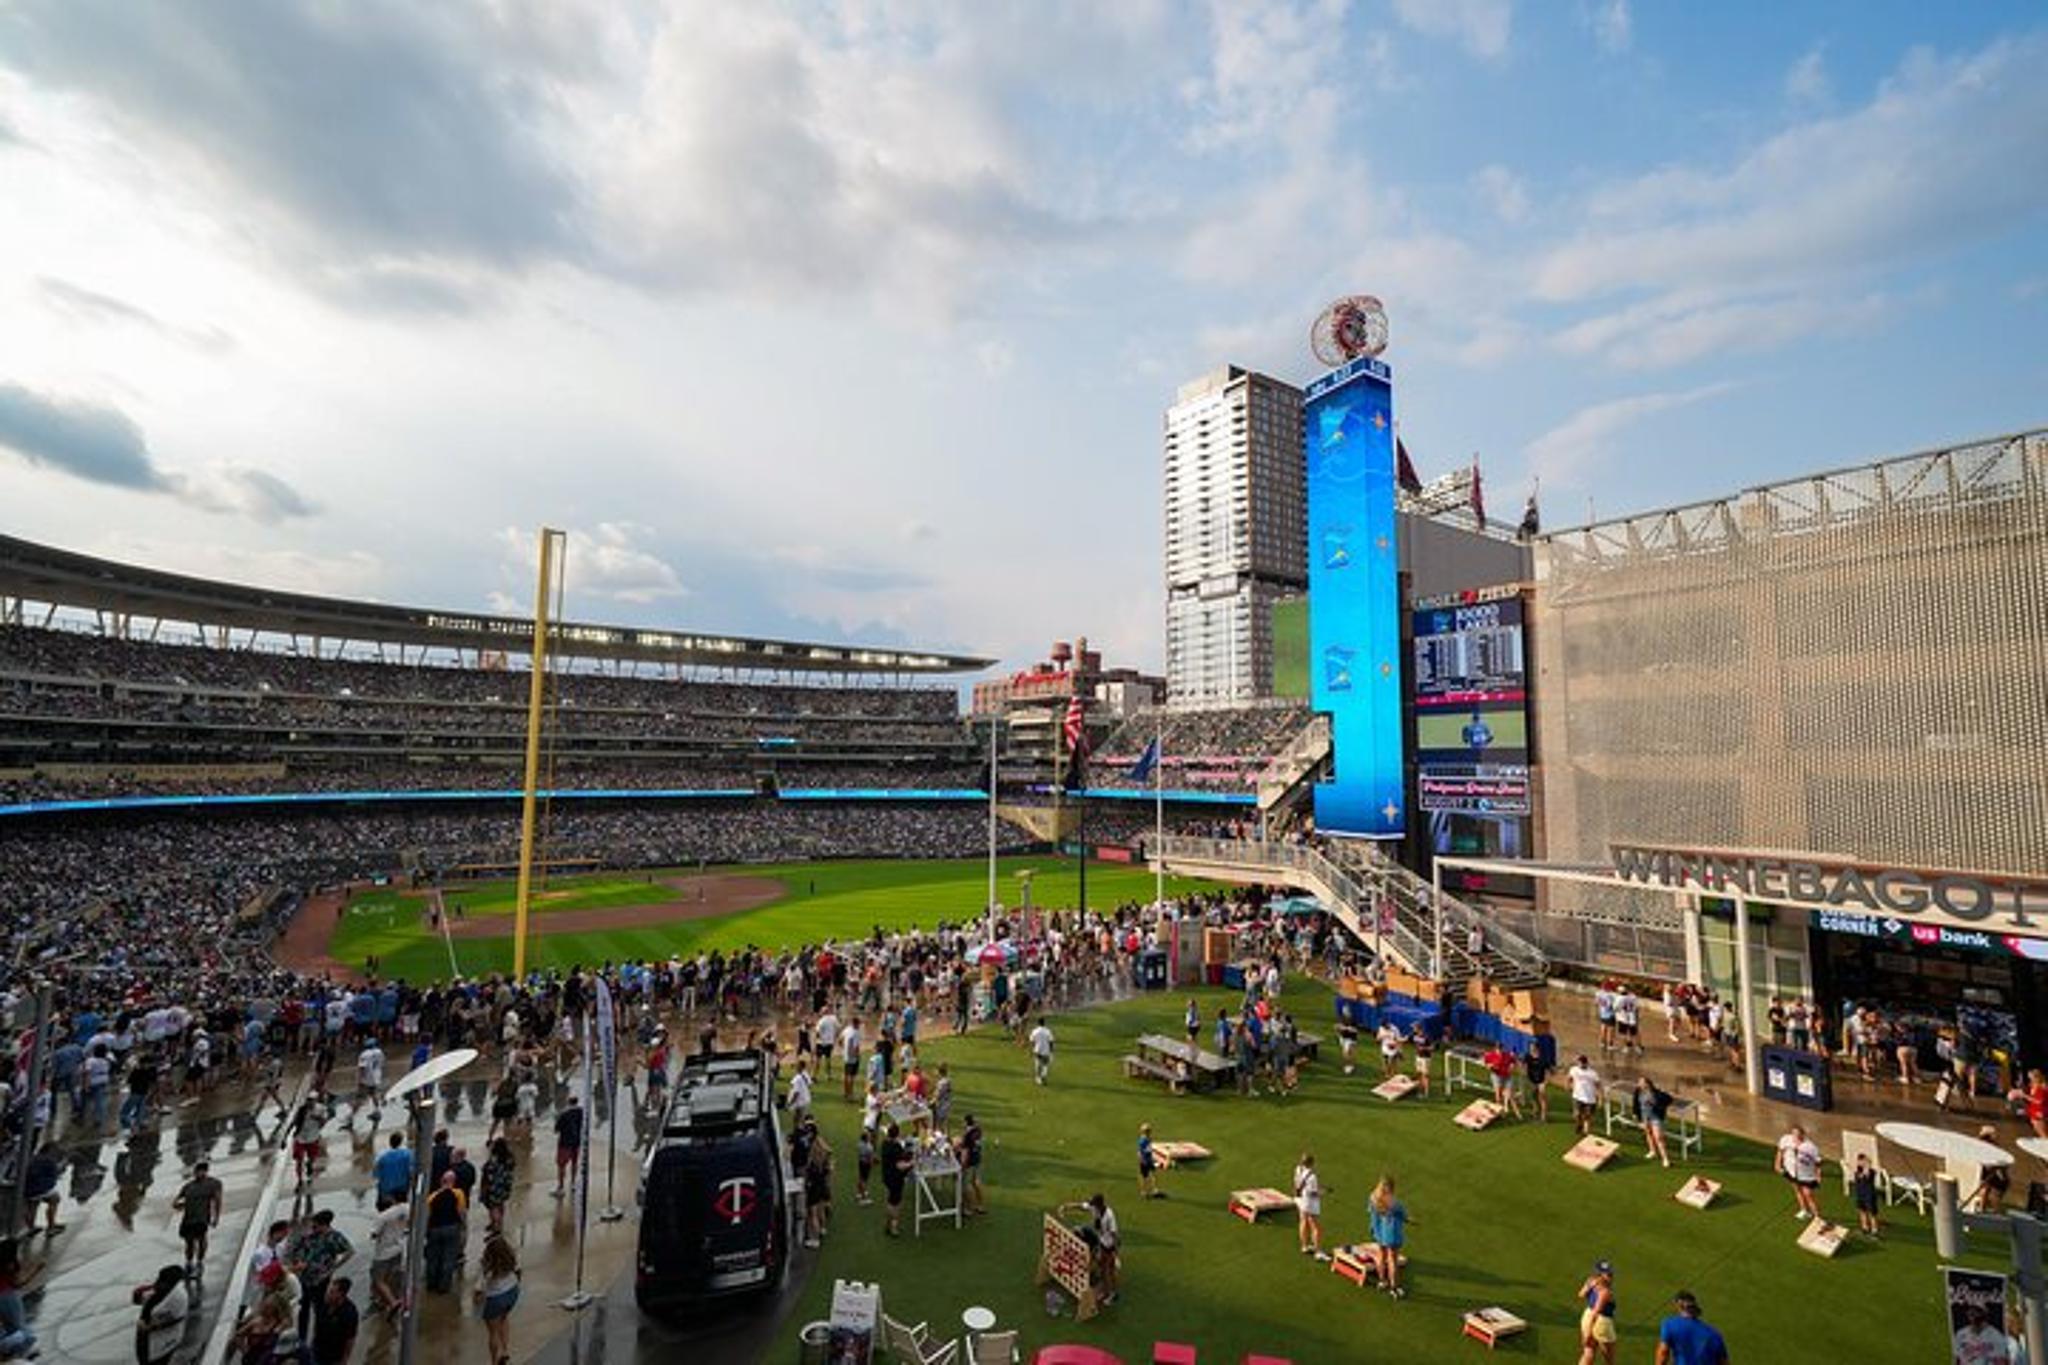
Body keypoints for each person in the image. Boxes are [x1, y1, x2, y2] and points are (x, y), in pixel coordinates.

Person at [173, 1160, 223, 1277]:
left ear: (206, 1172)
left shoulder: (214, 1184)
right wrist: (177, 1204)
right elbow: (176, 1201)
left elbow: (218, 1201)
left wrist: (216, 1217)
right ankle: (189, 1263)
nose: (199, 1174)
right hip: (188, 1218)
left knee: (201, 1240)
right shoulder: (188, 1186)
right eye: (197, 1171)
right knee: (189, 1243)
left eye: (202, 1171)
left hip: (202, 1218)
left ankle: (199, 1263)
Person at [475, 1235, 520, 1365]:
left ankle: (494, 1360)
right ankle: (505, 1350)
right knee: (504, 1319)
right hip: (512, 1292)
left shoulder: (485, 1265)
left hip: (495, 1298)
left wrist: (476, 1301)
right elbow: (518, 1272)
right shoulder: (512, 1259)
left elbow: (478, 1288)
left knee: (492, 1332)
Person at [133, 1265, 189, 1365]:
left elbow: (148, 1324)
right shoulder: (177, 1292)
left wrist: (149, 1326)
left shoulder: (168, 1298)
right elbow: (137, 1297)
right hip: (170, 1341)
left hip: (155, 1347)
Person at [1656, 1289, 1728, 1365]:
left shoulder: (1670, 1325)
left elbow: (1663, 1353)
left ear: (1679, 1306)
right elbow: (1724, 1363)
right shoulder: (1715, 1335)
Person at [423, 1172, 467, 1293]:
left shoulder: (432, 1197)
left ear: (441, 1181)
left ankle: (431, 1283)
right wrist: (463, 1227)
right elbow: (461, 1212)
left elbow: (427, 1215)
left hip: (435, 1229)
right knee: (449, 1257)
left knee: (433, 1257)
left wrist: (427, 1231)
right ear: (453, 1181)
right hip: (452, 1228)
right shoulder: (458, 1193)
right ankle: (443, 1286)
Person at [1367, 1175, 1407, 1298]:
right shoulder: (1395, 1203)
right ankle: (1394, 1288)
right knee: (1392, 1260)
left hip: (1378, 1231)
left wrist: (1373, 1228)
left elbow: (1371, 1213)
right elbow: (1404, 1216)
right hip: (1391, 1234)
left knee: (1381, 1255)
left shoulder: (1373, 1198)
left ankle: (1382, 1281)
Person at [369, 1197, 408, 1320]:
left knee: (378, 1280)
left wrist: (373, 1233)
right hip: (398, 1248)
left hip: (383, 1253)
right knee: (391, 1276)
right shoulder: (401, 1212)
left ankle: (392, 1302)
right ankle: (385, 1300)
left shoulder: (382, 1217)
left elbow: (374, 1234)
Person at [1776, 1124, 1822, 1221]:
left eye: (1797, 1135)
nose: (1795, 1137)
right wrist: (1777, 1164)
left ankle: (1817, 1216)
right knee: (1797, 1190)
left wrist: (1818, 1176)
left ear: (1803, 1135)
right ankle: (1804, 1210)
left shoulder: (1810, 1146)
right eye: (1793, 1134)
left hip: (1805, 1174)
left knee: (1808, 1194)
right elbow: (1780, 1151)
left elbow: (1818, 1162)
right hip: (1791, 1171)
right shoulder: (1785, 1139)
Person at [1576, 1260, 1618, 1365]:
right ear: (1599, 1274)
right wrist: (1589, 1334)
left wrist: (1590, 1286)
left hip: (1587, 1316)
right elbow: (1596, 1313)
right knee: (1609, 1360)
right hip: (1602, 1323)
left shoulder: (1591, 1281)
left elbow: (1581, 1294)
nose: (1611, 1276)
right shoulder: (1605, 1292)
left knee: (1588, 1353)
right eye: (1608, 1274)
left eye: (1611, 1273)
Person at [312, 1276, 359, 1365]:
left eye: (331, 1292)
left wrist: (344, 1360)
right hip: (317, 1350)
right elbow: (317, 1321)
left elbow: (350, 1339)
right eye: (328, 1291)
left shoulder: (349, 1313)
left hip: (334, 1357)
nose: (327, 1294)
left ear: (340, 1294)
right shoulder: (322, 1303)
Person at [20, 1144, 61, 1238]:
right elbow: (53, 1179)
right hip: (40, 1189)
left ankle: (30, 1228)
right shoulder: (50, 1161)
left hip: (27, 1190)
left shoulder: (33, 1158)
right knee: (55, 1198)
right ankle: (51, 1227)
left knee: (33, 1205)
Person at [879, 1122, 912, 1238]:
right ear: (897, 1134)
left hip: (886, 1176)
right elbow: (900, 1165)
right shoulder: (896, 1147)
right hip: (896, 1178)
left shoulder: (884, 1143)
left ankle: (888, 1224)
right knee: (896, 1203)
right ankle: (894, 1226)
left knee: (890, 1200)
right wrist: (912, 1163)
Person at [1634, 1076, 1675, 1168]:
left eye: (1641, 1082)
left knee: (1659, 1137)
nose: (1639, 1084)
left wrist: (1659, 1106)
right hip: (1645, 1117)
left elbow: (1669, 1099)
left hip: (1655, 1117)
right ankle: (1652, 1151)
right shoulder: (1638, 1091)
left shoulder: (1656, 1093)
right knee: (1648, 1133)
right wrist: (1637, 1116)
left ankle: (1665, 1159)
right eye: (1639, 1082)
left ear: (1647, 1084)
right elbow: (1636, 1104)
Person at [480, 1138, 516, 1235]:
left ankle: (496, 1226)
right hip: (505, 1186)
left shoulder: (494, 1160)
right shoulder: (510, 1159)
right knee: (500, 1204)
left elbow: (488, 1172)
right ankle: (498, 1223)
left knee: (493, 1206)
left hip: (493, 1186)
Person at [553, 1094, 584, 1198]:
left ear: (568, 1101)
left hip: (565, 1143)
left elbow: (556, 1129)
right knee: (574, 1163)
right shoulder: (581, 1112)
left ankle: (561, 1187)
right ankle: (573, 1184)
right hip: (576, 1142)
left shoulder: (564, 1114)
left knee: (561, 1165)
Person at [373, 1132, 412, 1210]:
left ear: (390, 1142)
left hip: (386, 1191)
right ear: (401, 1142)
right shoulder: (408, 1154)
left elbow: (376, 1175)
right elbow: (411, 1171)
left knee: (385, 1213)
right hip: (402, 1189)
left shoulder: (382, 1157)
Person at [1293, 1152, 1322, 1256]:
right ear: (1311, 1163)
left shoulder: (1297, 1169)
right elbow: (1313, 1193)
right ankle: (1318, 1251)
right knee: (1315, 1226)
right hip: (1308, 1202)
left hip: (1299, 1198)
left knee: (1303, 1221)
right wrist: (1322, 1193)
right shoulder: (1312, 1176)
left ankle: (1304, 1246)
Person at [957, 1114, 986, 1216]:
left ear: (966, 1122)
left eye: (963, 1122)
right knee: (976, 1182)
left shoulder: (967, 1135)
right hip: (978, 1159)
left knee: (966, 1186)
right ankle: (980, 1205)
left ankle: (969, 1208)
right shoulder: (978, 1131)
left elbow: (965, 1152)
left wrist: (962, 1165)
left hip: (969, 1162)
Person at [1567, 1055, 1602, 1136]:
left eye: (1582, 1063)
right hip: (1577, 1096)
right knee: (1576, 1114)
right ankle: (1579, 1125)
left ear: (1586, 1063)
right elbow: (1569, 1078)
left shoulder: (1593, 1073)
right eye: (1579, 1063)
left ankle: (1586, 1132)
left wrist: (1600, 1099)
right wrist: (1568, 1085)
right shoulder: (1574, 1070)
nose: (1580, 1065)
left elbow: (1599, 1086)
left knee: (1587, 1117)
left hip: (1590, 1099)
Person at [1850, 1154, 1881, 1239]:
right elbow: (1859, 1176)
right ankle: (1865, 1228)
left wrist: (1867, 1165)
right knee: (1862, 1211)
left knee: (1871, 1213)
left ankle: (1874, 1230)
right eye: (1859, 1161)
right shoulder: (1857, 1171)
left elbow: (1866, 1175)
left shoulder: (1871, 1171)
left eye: (1861, 1161)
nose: (1859, 1162)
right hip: (1860, 1195)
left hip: (1869, 1195)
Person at [1523, 1042, 1552, 1123]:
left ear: (1537, 1048)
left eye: (1532, 1047)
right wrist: (1526, 1076)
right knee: (1533, 1098)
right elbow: (1524, 1066)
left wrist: (1546, 1082)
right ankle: (1535, 1113)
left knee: (1542, 1098)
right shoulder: (1527, 1056)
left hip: (1541, 1081)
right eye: (1530, 1048)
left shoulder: (1543, 1058)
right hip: (1531, 1080)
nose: (1531, 1049)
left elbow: (1548, 1071)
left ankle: (1544, 1117)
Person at [1137, 1124, 1161, 1200]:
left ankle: (1151, 1191)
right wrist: (1143, 1160)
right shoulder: (1144, 1140)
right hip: (1146, 1161)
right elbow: (1142, 1151)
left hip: (1147, 1160)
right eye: (1149, 1131)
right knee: (1146, 1177)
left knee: (1150, 1175)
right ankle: (1147, 1192)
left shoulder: (1145, 1139)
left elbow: (1141, 1151)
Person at [1029, 1017, 1054, 1086]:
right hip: (1046, 1050)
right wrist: (1051, 1052)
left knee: (1038, 1063)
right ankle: (1043, 1076)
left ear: (1038, 1023)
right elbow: (1051, 1042)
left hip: (1037, 1049)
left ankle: (1038, 1078)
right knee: (1045, 1064)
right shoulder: (1048, 1031)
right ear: (1044, 1023)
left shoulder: (1035, 1031)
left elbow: (1032, 1041)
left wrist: (1032, 1049)